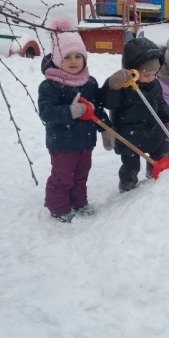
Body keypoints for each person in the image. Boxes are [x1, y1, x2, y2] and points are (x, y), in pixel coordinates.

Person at [38, 20, 107, 223]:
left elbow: (96, 109)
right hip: (62, 142)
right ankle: (58, 207)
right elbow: (47, 113)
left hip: (86, 141)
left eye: (78, 56)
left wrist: (106, 128)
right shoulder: (50, 85)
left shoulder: (90, 82)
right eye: (67, 57)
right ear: (57, 59)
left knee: (81, 174)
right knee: (63, 176)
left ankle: (79, 202)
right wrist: (71, 111)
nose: (73, 61)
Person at [101, 36, 169, 193]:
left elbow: (160, 104)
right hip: (128, 135)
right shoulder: (122, 86)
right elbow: (109, 103)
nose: (151, 78)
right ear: (132, 70)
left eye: (155, 74)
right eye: (147, 75)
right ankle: (127, 186)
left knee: (160, 154)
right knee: (131, 165)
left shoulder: (154, 84)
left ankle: (154, 175)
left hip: (153, 130)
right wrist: (113, 86)